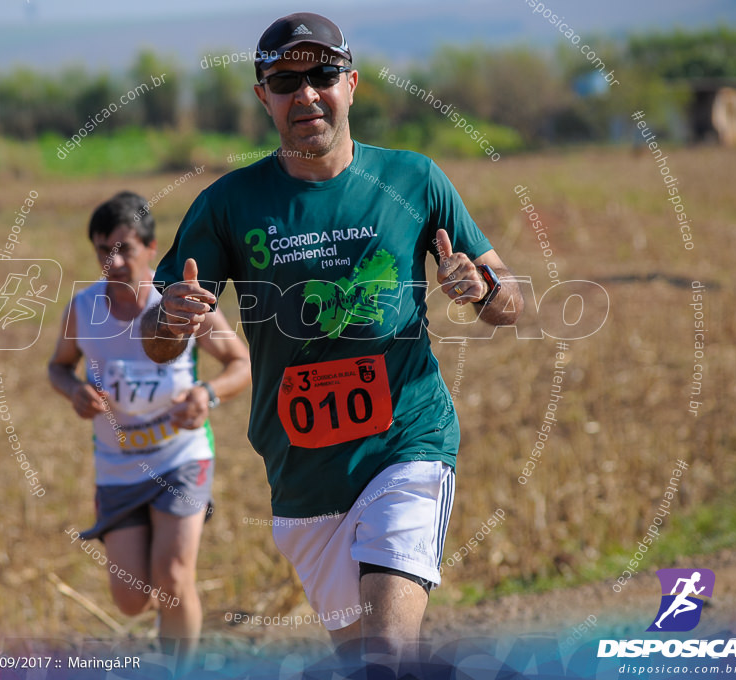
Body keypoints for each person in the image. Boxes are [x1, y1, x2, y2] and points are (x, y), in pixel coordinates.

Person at [141, 12, 524, 672]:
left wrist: (483, 287)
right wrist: (169, 319)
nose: (306, 93)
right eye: (285, 80)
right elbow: (154, 341)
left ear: (352, 84)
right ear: (263, 95)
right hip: (302, 475)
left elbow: (512, 299)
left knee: (384, 649)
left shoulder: (414, 179)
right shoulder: (228, 203)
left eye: (321, 74)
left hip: (408, 446)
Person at [48, 191, 250, 663]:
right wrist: (73, 390)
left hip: (182, 456)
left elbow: (241, 362)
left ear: (152, 247)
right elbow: (58, 367)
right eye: (102, 249)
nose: (112, 260)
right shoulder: (84, 308)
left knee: (174, 577)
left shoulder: (180, 303)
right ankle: (168, 631)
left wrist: (207, 394)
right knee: (131, 598)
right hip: (118, 465)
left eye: (124, 248)